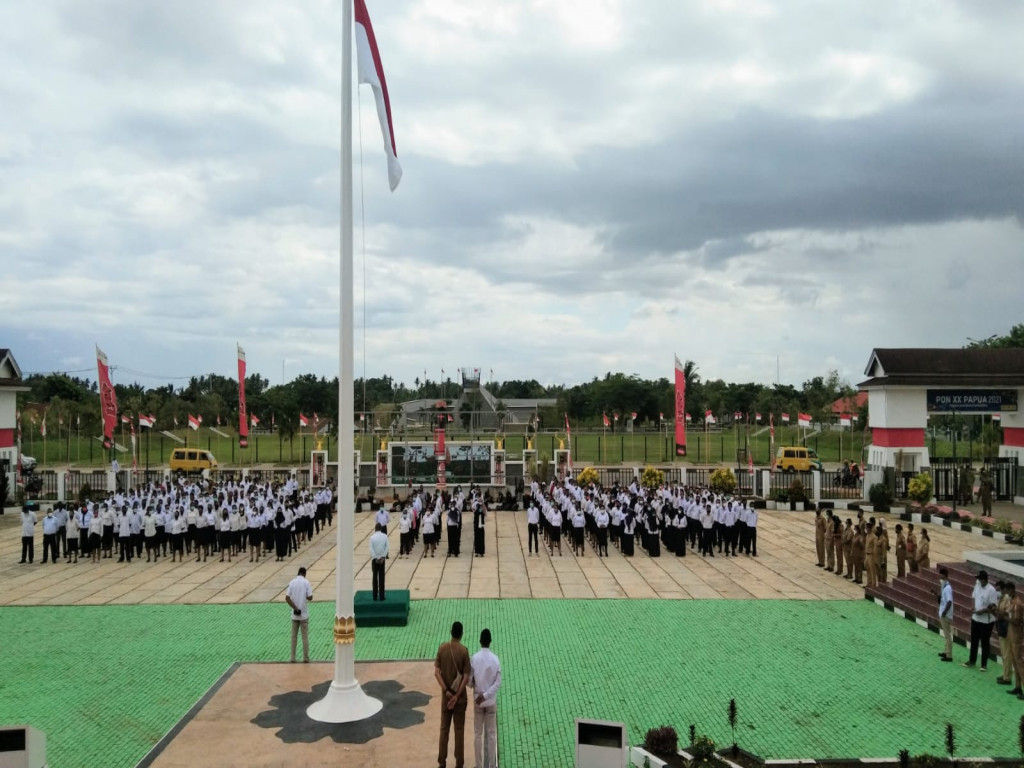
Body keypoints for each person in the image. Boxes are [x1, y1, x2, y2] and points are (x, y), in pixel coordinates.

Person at [435, 621, 471, 768]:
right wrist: (456, 696)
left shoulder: (442, 648)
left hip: (446, 699)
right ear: (461, 634)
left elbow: (437, 673)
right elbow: (466, 677)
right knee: (459, 731)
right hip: (459, 700)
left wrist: (447, 692)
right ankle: (459, 763)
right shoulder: (464, 652)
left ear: (451, 632)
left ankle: (442, 762)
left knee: (444, 729)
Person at [470, 628, 502, 768]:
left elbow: (470, 681)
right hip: (490, 702)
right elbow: (498, 682)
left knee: (478, 734)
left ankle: (478, 765)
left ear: (480, 641)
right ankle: (492, 765)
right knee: (492, 734)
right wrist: (487, 695)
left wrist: (480, 694)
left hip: (478, 701)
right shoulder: (495, 659)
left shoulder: (474, 658)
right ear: (490, 641)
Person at [964, 570, 998, 671]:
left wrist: (983, 611)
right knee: (974, 640)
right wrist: (972, 607)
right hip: (975, 618)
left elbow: (993, 606)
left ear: (984, 579)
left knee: (985, 642)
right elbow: (973, 597)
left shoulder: (991, 590)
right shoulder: (977, 585)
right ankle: (972, 660)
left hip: (986, 621)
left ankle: (984, 664)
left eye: (979, 578)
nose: (978, 580)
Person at [286, 566, 313, 663]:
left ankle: (292, 657)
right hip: (304, 615)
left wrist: (295, 607)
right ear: (304, 574)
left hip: (294, 615)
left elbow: (287, 598)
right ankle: (305, 658)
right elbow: (310, 597)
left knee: (294, 637)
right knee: (304, 637)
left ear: (298, 573)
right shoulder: (306, 583)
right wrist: (305, 596)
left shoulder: (292, 583)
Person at [935, 567, 954, 662]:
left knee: (947, 635)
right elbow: (943, 599)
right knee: (946, 634)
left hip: (945, 615)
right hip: (943, 613)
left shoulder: (947, 588)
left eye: (942, 577)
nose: (940, 579)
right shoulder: (944, 586)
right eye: (940, 577)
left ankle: (949, 655)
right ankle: (946, 651)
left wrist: (944, 612)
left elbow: (949, 601)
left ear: (946, 577)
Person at [370, 523, 389, 601]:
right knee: (381, 577)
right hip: (382, 559)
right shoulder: (385, 536)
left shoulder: (372, 537)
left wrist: (375, 558)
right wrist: (383, 557)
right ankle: (381, 596)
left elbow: (371, 549)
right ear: (381, 529)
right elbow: (387, 547)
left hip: (375, 560)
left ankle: (375, 596)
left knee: (375, 577)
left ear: (375, 528)